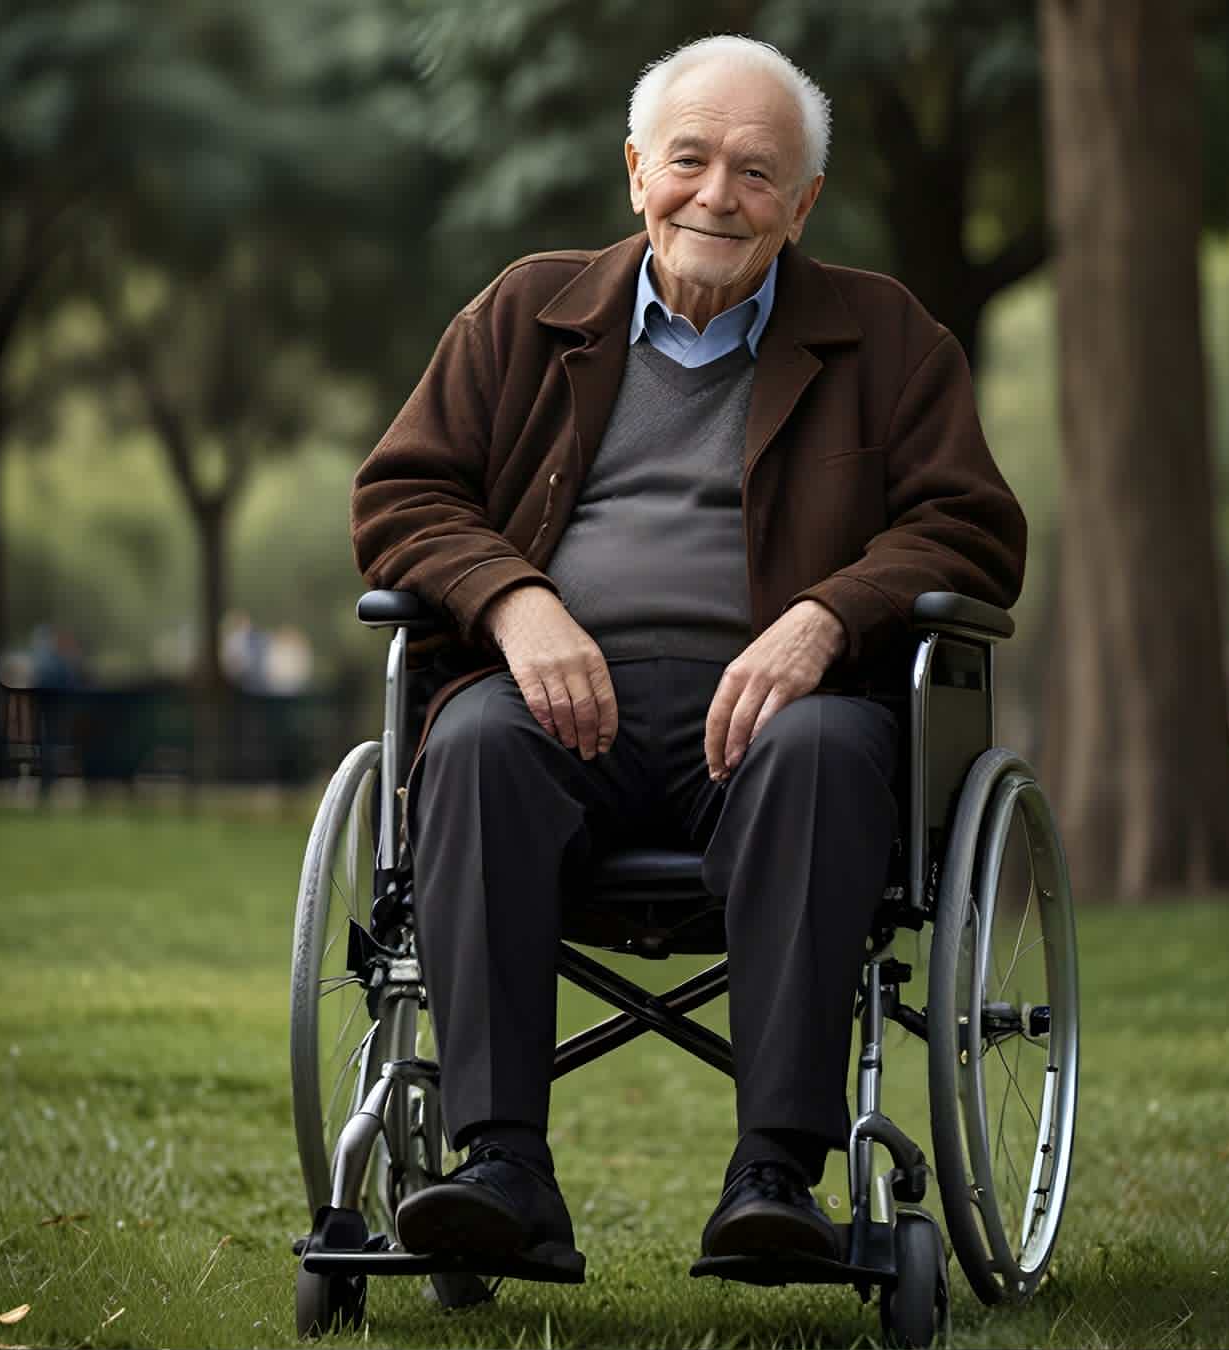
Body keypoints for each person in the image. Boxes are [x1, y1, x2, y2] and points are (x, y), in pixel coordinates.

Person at [350, 36, 1026, 1273]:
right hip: (553, 706)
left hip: (781, 727)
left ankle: (772, 1175)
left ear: (803, 202)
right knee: (478, 740)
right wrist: (513, 602)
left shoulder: (885, 338)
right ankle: (500, 1170)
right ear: (634, 172)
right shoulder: (523, 312)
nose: (717, 195)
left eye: (758, 172)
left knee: (824, 747)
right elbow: (402, 495)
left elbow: (969, 527)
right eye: (690, 160)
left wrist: (827, 616)